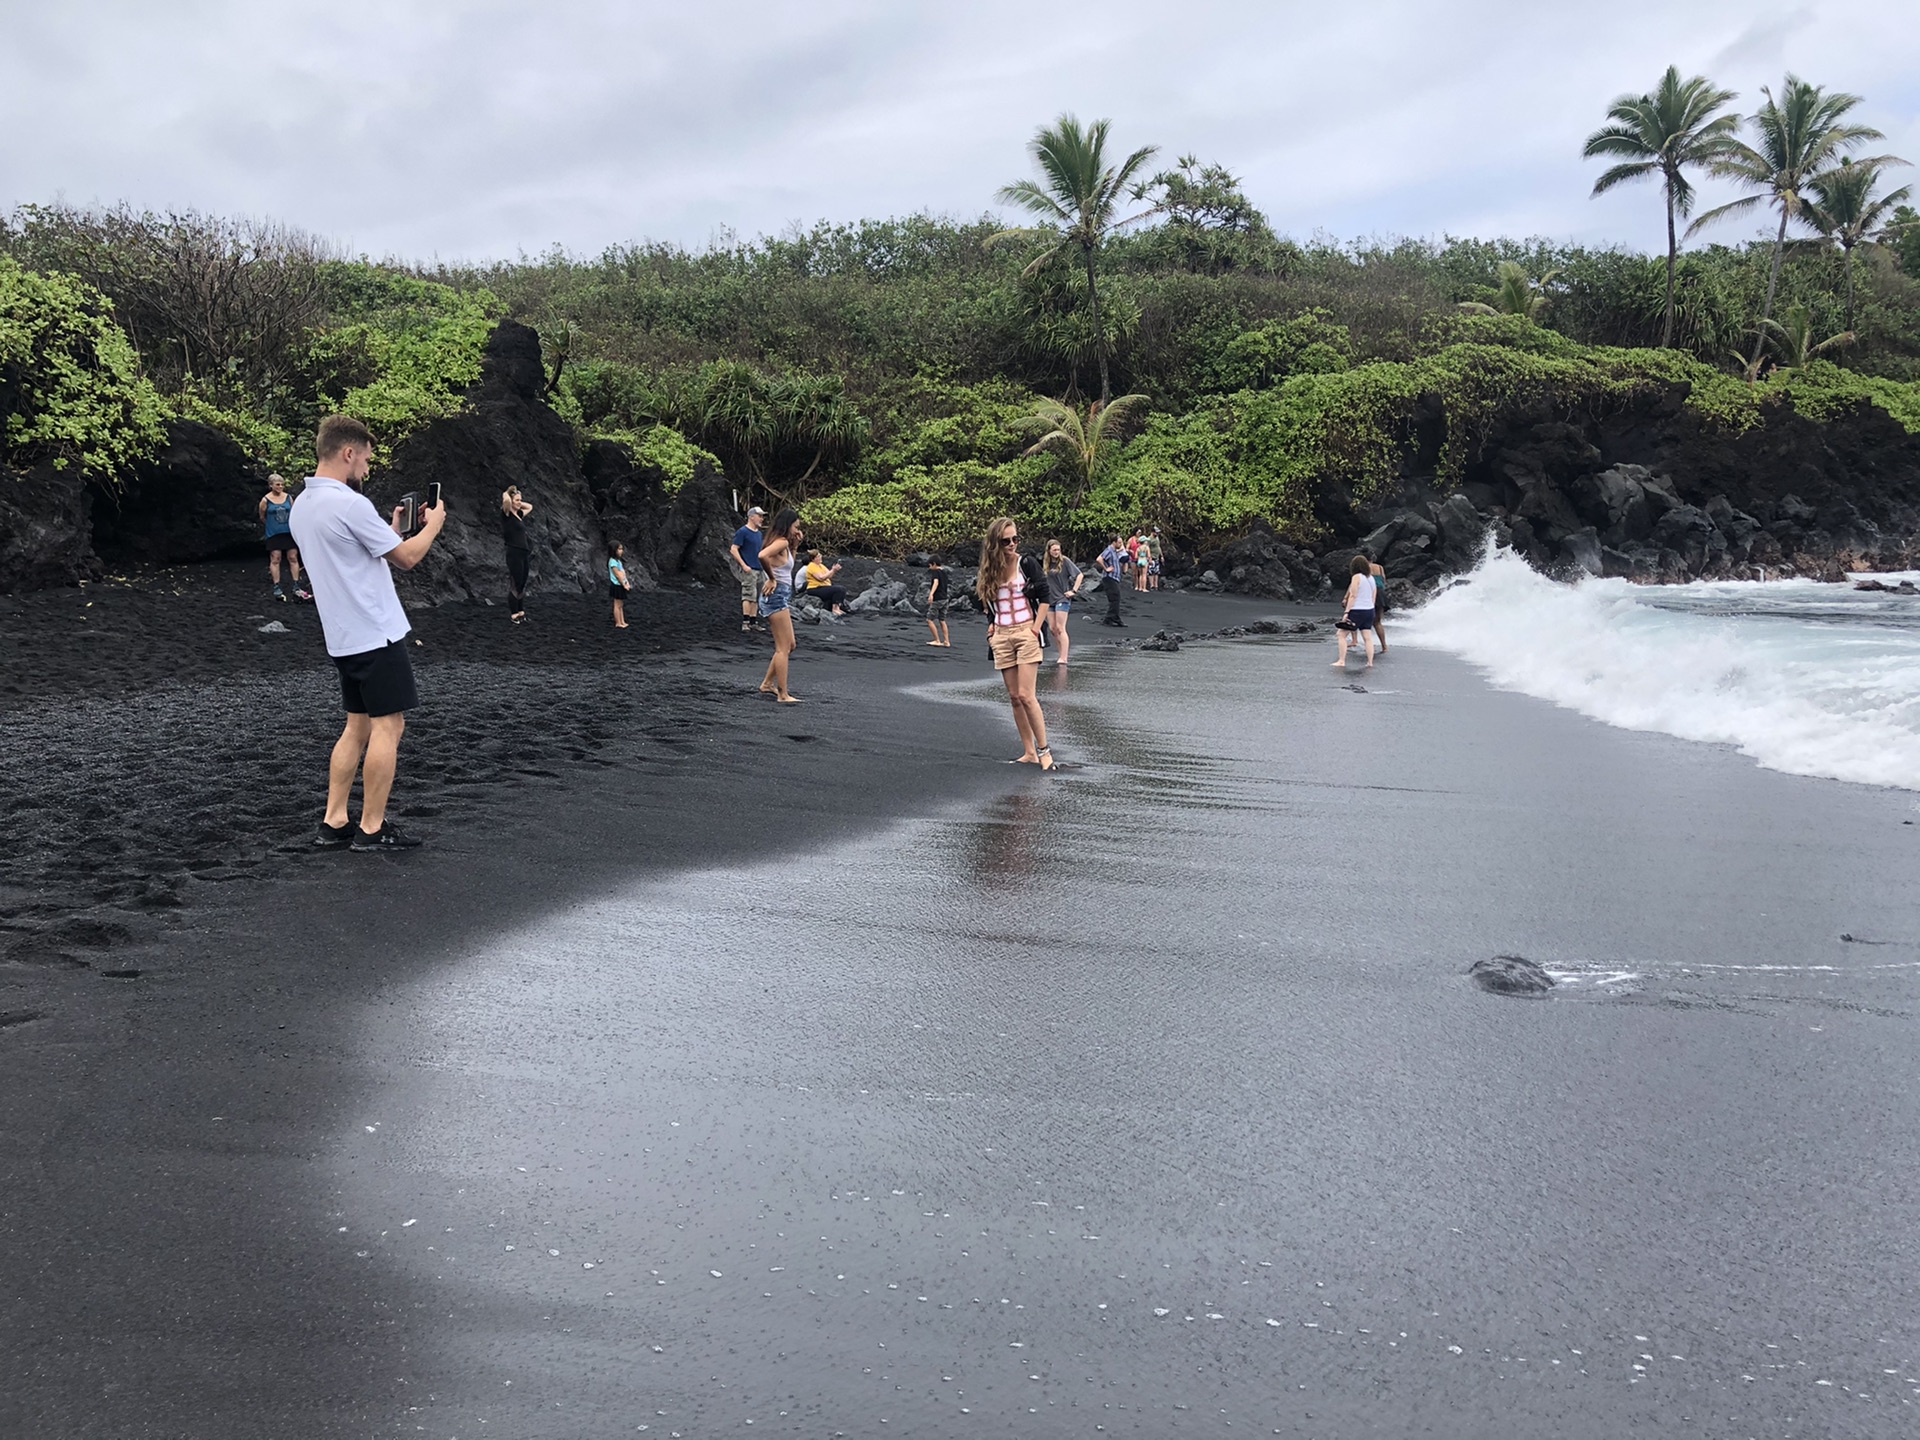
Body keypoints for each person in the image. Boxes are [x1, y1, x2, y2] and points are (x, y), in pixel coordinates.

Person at [288, 415, 447, 852]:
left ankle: (334, 820)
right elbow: (408, 559)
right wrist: (434, 524)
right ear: (348, 452)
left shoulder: (303, 505)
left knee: (356, 727)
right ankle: (372, 828)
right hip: (376, 633)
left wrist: (391, 530)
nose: (367, 468)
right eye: (366, 460)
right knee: (389, 727)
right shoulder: (349, 504)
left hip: (341, 636)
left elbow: (353, 554)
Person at [976, 516, 1054, 770]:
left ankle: (1045, 752)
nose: (1012, 544)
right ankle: (1029, 751)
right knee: (1013, 696)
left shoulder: (1026, 563)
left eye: (1015, 539)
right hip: (1001, 633)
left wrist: (1034, 629)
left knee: (1026, 695)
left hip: (1025, 631)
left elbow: (1045, 595)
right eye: (1006, 540)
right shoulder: (989, 570)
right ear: (994, 543)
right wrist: (991, 623)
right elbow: (987, 599)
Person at [755, 509, 804, 704]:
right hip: (775, 595)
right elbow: (762, 556)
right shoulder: (780, 541)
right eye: (795, 527)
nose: (796, 530)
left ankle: (767, 684)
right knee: (783, 648)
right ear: (788, 525)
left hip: (781, 595)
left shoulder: (783, 543)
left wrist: (796, 544)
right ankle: (783, 694)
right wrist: (772, 578)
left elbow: (786, 564)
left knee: (790, 644)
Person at [258, 474, 309, 602]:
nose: (280, 487)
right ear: (271, 485)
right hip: (274, 533)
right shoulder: (265, 500)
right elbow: (262, 516)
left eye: (282, 484)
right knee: (276, 558)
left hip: (289, 532)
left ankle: (296, 586)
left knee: (293, 557)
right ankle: (277, 586)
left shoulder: (288, 498)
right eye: (277, 484)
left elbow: (294, 512)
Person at [1333, 553, 1379, 669]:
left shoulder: (1356, 577)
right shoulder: (1371, 578)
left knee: (1341, 634)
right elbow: (1374, 595)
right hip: (1369, 610)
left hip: (1357, 610)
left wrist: (1347, 612)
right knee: (1367, 637)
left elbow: (1353, 595)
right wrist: (1371, 609)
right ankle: (1370, 662)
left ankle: (1341, 660)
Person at [1042, 539, 1083, 665]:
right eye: (1054, 550)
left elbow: (1080, 575)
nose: (1056, 552)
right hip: (1050, 599)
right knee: (1053, 628)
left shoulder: (1065, 561)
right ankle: (1060, 653)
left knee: (1060, 628)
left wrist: (1074, 591)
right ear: (1049, 550)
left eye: (1058, 550)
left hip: (1062, 598)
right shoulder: (1046, 563)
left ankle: (1064, 657)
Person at [728, 505, 767, 634]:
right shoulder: (743, 532)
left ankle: (753, 621)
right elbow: (734, 549)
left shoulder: (759, 534)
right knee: (748, 595)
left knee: (756, 596)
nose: (762, 519)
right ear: (751, 517)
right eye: (759, 516)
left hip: (759, 568)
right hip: (749, 568)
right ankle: (745, 622)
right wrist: (744, 565)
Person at [501, 485, 533, 623]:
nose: (520, 502)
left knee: (523, 582)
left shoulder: (518, 515)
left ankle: (521, 611)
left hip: (523, 552)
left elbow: (530, 506)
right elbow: (507, 502)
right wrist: (507, 494)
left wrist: (518, 501)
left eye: (520, 500)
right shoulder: (506, 514)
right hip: (513, 551)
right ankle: (514, 613)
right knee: (516, 581)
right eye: (517, 500)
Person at [801, 549, 848, 614]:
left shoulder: (821, 566)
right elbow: (821, 578)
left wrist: (834, 570)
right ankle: (834, 609)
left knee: (842, 589)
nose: (820, 557)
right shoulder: (811, 566)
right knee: (838, 589)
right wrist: (833, 570)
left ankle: (837, 607)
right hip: (815, 588)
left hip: (823, 587)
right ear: (813, 558)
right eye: (818, 556)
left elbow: (829, 575)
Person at [1097, 535, 1127, 627]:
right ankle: (1111, 618)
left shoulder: (1115, 551)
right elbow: (1099, 559)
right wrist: (1106, 569)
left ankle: (1113, 617)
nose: (1121, 544)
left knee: (1116, 598)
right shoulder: (1109, 550)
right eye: (1119, 542)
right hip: (1109, 578)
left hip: (1115, 578)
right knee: (1114, 598)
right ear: (1114, 542)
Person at [924, 555, 952, 647]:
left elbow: (936, 582)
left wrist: (931, 594)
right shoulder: (944, 572)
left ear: (934, 564)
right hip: (945, 599)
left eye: (930, 565)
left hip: (938, 599)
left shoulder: (936, 572)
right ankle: (947, 641)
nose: (929, 567)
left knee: (929, 619)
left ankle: (937, 640)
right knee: (942, 620)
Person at [608, 541, 632, 629]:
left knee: (621, 604)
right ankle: (618, 622)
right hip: (617, 585)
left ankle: (622, 621)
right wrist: (624, 584)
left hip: (621, 584)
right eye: (619, 549)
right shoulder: (612, 562)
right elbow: (618, 575)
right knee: (617, 604)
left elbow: (623, 573)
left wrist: (627, 583)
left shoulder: (618, 561)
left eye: (621, 549)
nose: (621, 551)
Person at [1370, 559, 1389, 656]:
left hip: (1370, 593)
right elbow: (1383, 581)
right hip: (1381, 594)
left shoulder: (1363, 568)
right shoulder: (1380, 568)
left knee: (1366, 621)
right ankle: (1384, 646)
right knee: (1378, 622)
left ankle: (1369, 645)